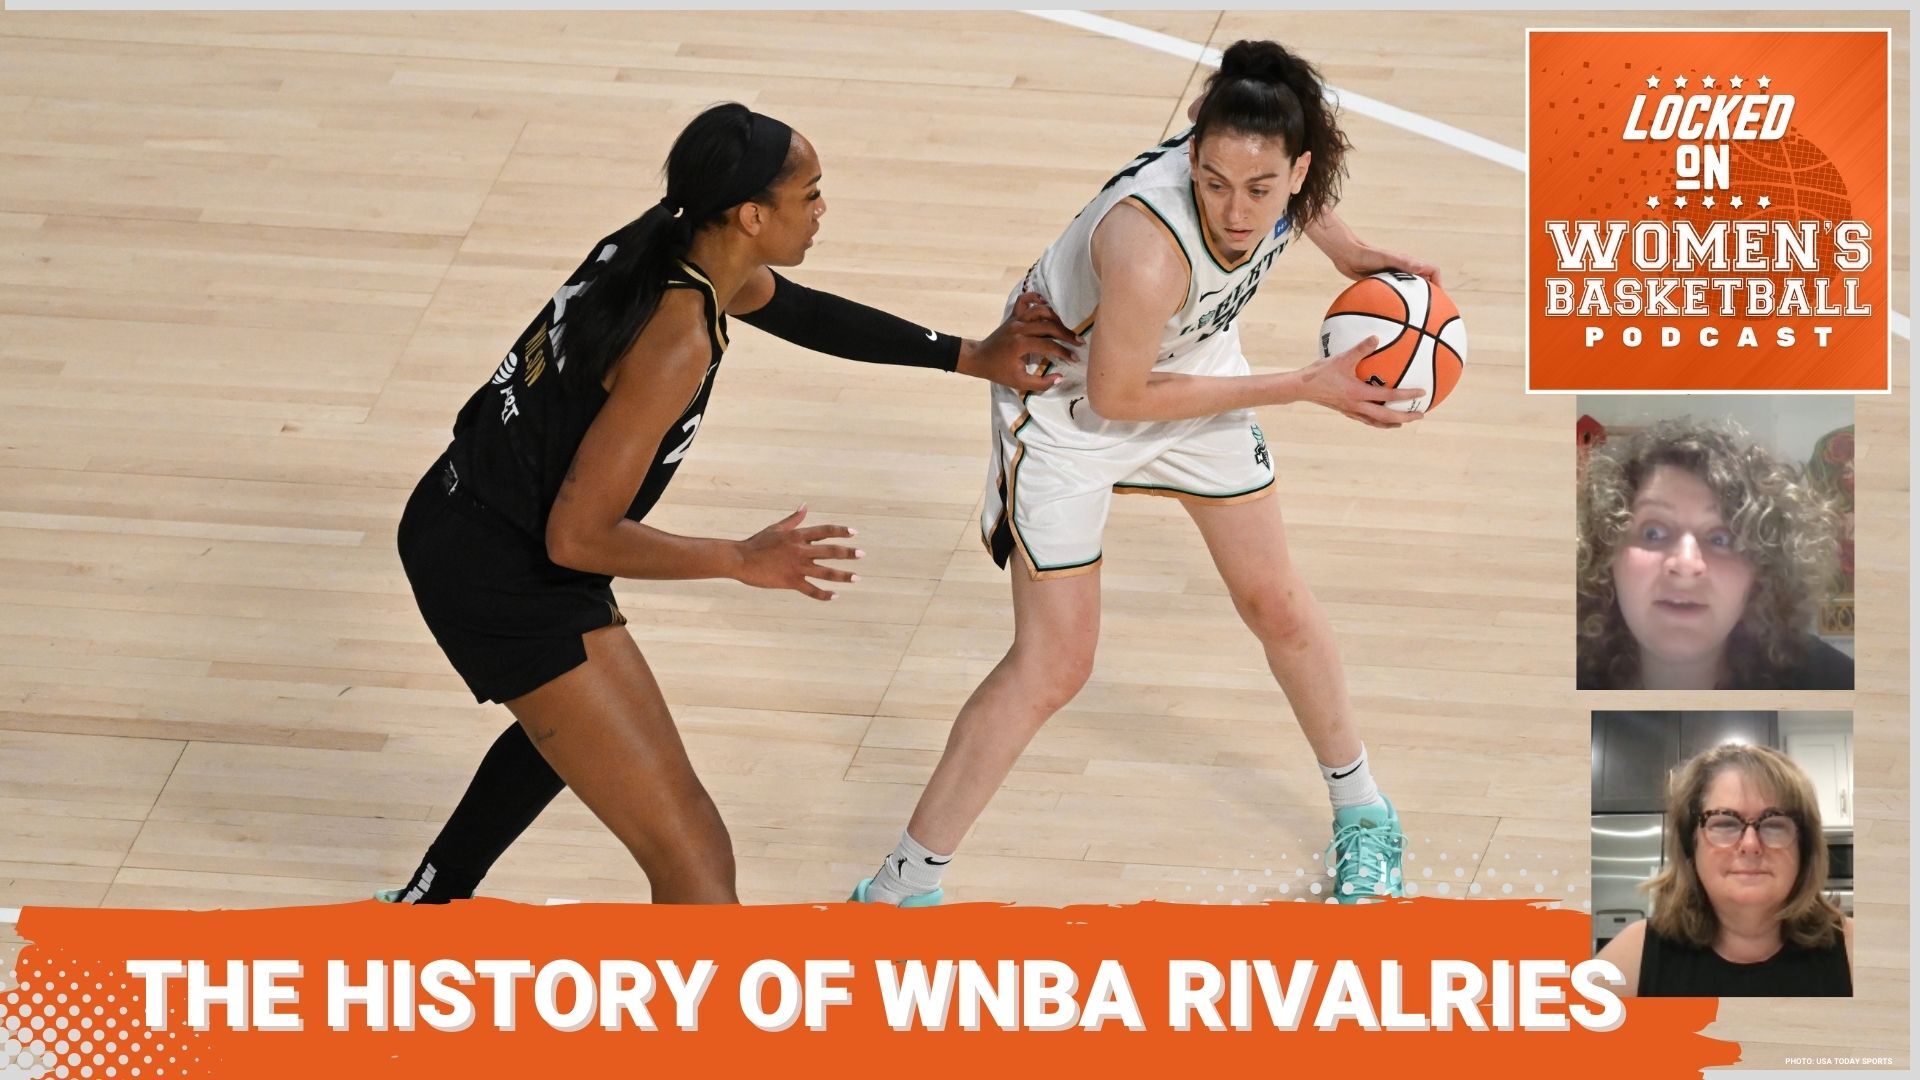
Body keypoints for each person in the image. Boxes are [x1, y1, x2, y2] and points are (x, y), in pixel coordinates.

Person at [380, 102, 1079, 905]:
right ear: (753, 214)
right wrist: (738, 560)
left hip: (466, 510)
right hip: (503, 568)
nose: (822, 211)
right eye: (810, 195)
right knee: (698, 868)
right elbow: (578, 536)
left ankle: (428, 907)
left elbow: (800, 310)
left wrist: (970, 357)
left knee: (572, 736)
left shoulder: (673, 237)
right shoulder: (675, 335)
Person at [851, 39, 1439, 908]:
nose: (1237, 213)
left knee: (1275, 601)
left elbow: (1296, 208)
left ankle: (1364, 812)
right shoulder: (1146, 247)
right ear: (1192, 155)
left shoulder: (1280, 179)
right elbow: (1119, 395)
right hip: (1068, 406)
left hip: (1192, 366)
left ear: (1299, 170)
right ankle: (902, 886)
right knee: (1054, 665)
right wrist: (1305, 386)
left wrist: (1348, 252)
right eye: (1213, 183)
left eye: (1262, 189)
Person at [1576, 419, 1851, 690]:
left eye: (1721, 538)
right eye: (1653, 533)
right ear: (1605, 553)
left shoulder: (1835, 680)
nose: (1686, 564)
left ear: (1763, 567)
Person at [1596, 744, 1853, 996]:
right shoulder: (1634, 955)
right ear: (1690, 846)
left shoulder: (1856, 950)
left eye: (1774, 824)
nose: (1751, 845)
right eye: (1725, 823)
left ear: (1804, 847)